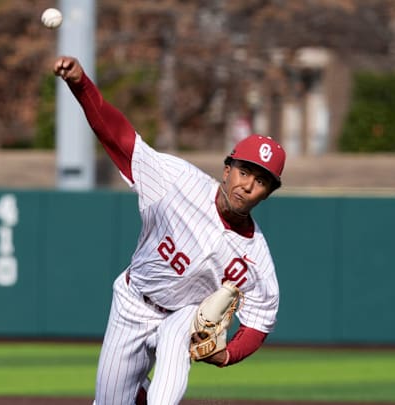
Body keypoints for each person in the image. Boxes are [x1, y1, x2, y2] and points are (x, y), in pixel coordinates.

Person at [53, 56, 286, 405]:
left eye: (261, 180)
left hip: (182, 317)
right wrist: (81, 84)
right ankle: (137, 394)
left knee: (176, 337)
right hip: (133, 303)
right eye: (244, 171)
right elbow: (117, 136)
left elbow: (260, 320)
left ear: (269, 192)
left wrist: (227, 355)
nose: (248, 185)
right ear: (227, 170)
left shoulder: (255, 258)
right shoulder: (177, 181)